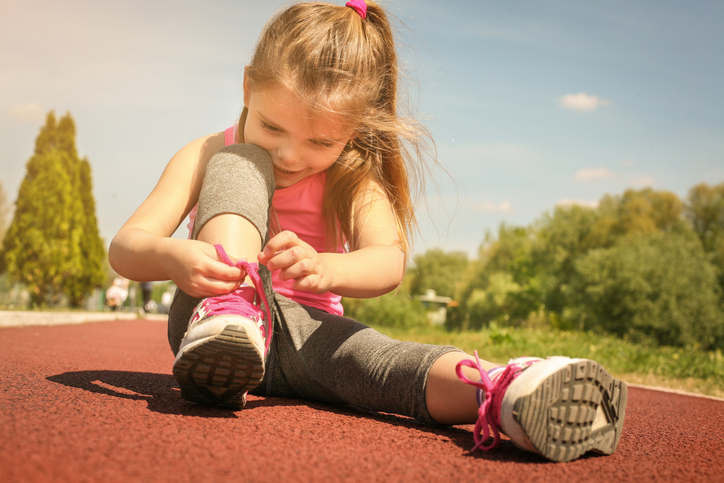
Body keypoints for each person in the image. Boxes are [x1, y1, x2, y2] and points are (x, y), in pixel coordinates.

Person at [109, 0, 626, 463]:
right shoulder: (204, 152)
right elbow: (126, 247)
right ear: (247, 86)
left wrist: (328, 267)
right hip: (208, 320)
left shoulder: (353, 176)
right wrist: (175, 256)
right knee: (239, 161)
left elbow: (389, 262)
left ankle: (508, 392)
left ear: (352, 129)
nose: (290, 155)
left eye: (319, 141)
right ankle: (234, 313)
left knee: (379, 362)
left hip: (309, 335)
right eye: (272, 127)